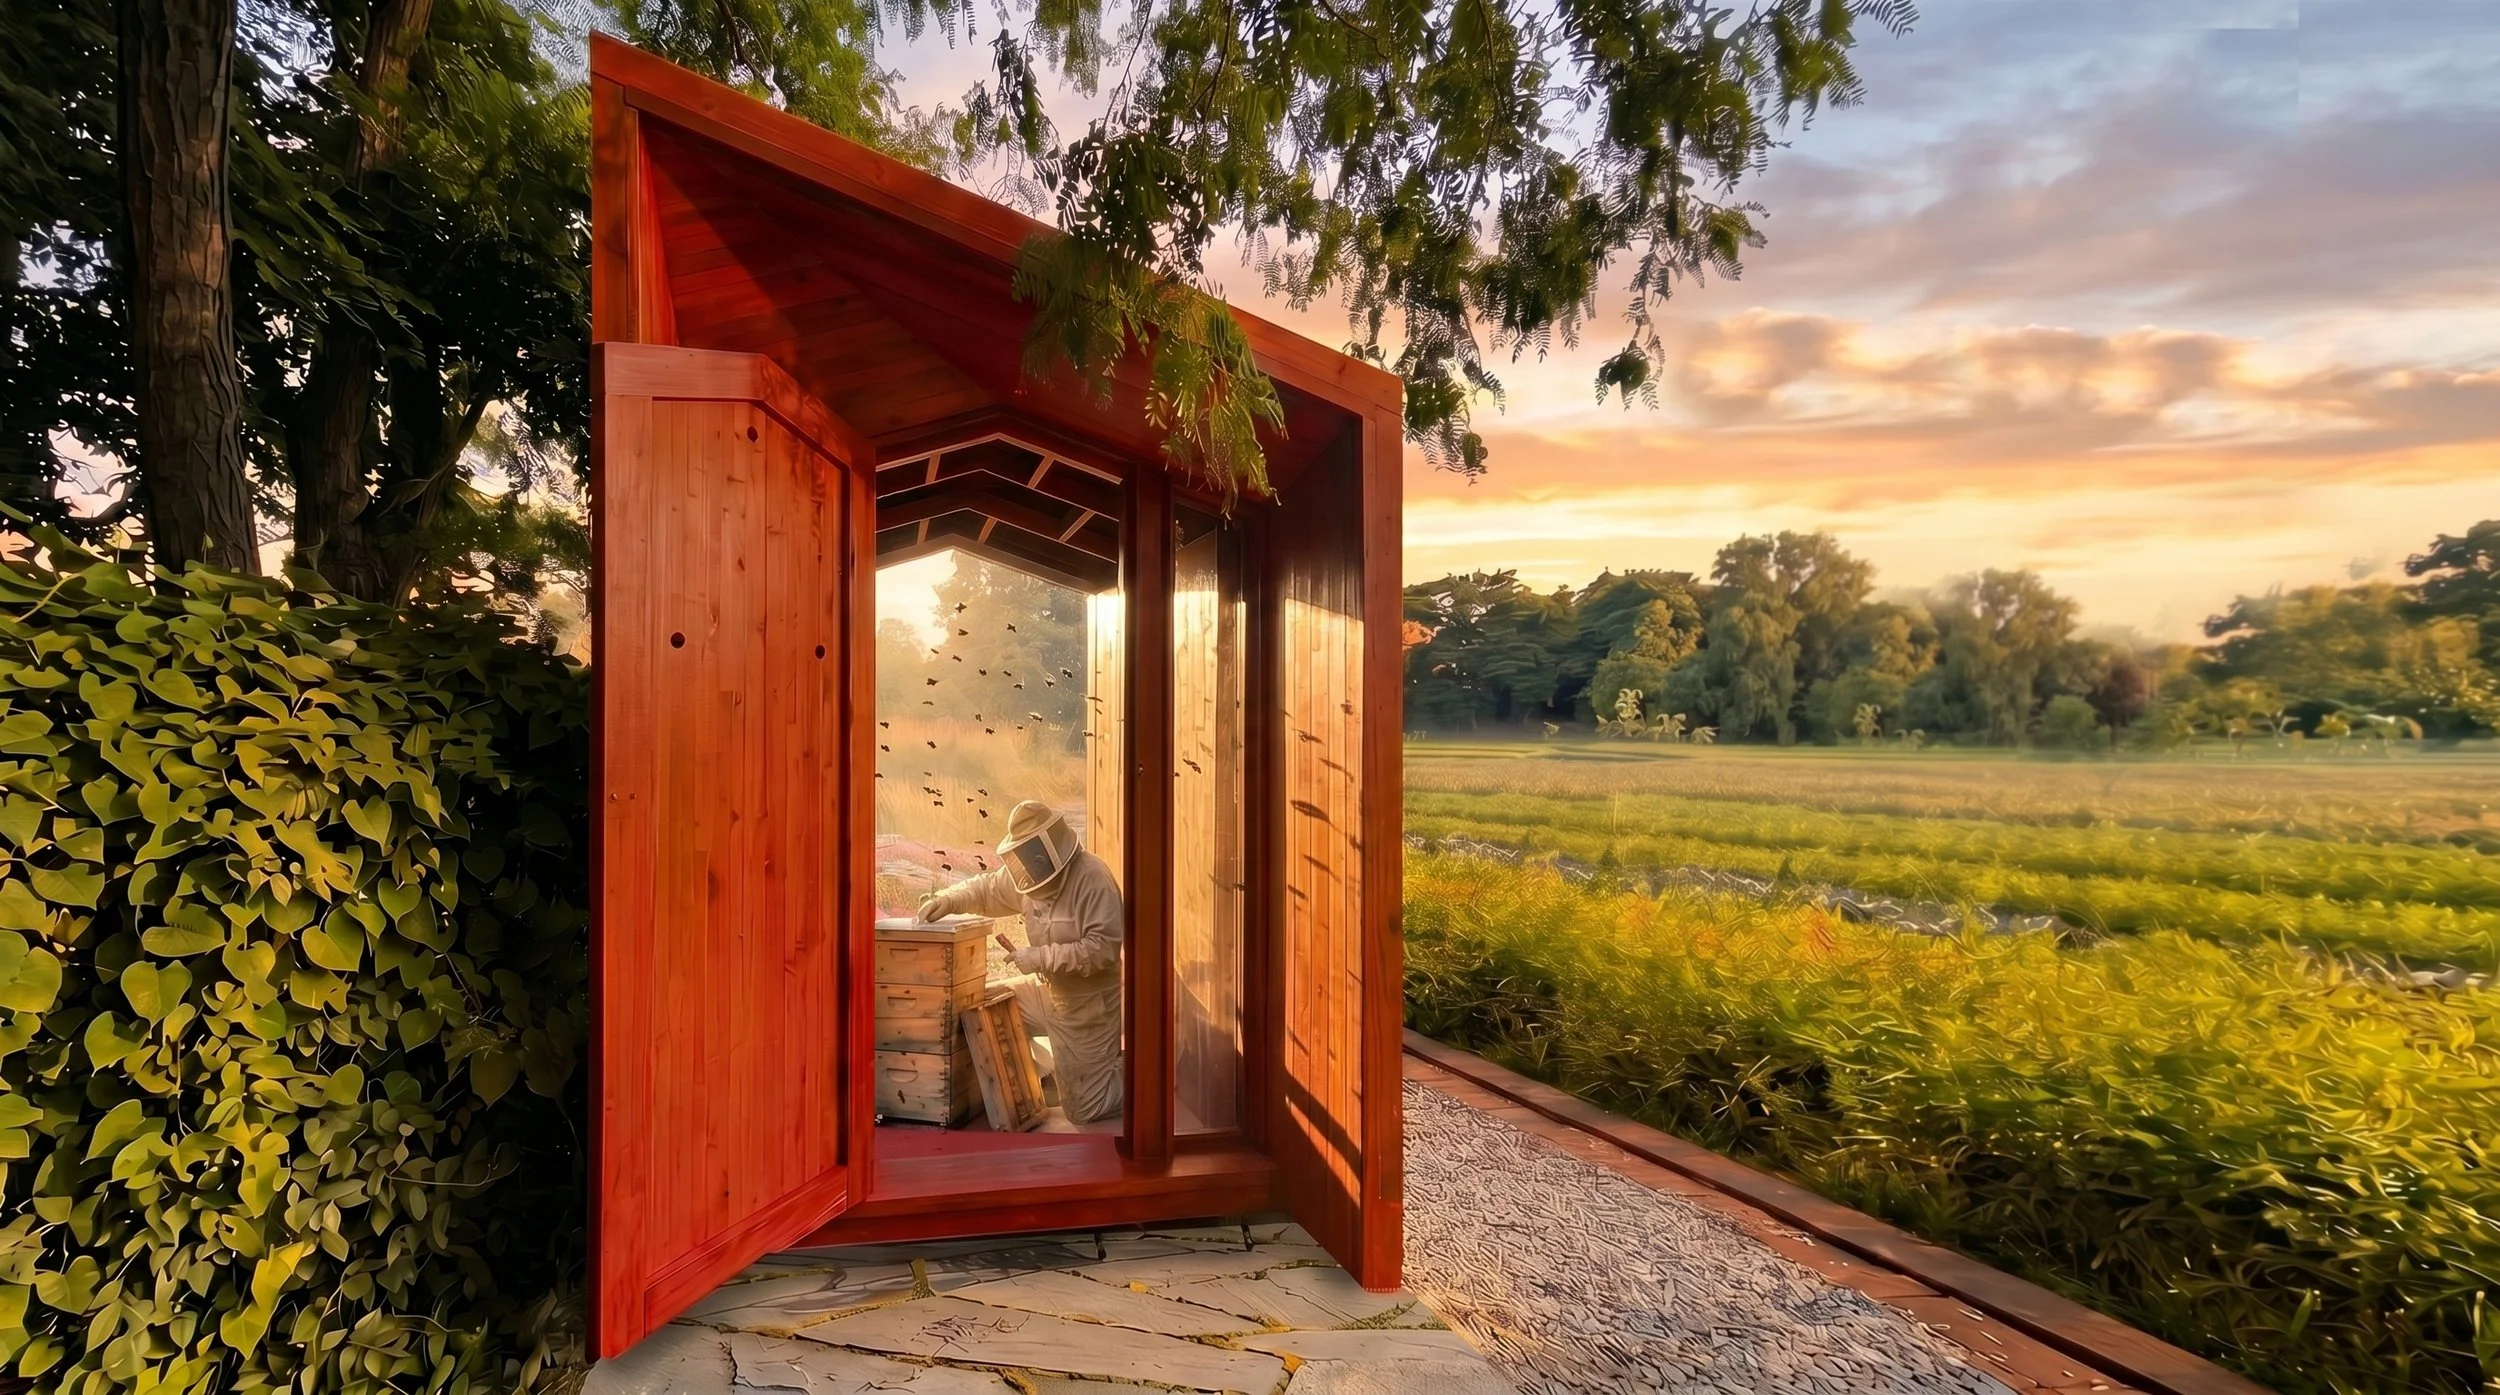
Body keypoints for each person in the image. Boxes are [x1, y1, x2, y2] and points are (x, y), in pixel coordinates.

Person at [918, 801, 1124, 1124]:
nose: (1028, 862)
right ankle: (1048, 1076)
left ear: (1050, 846)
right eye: (1024, 854)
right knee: (974, 1003)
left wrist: (1039, 957)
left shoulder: (1094, 878)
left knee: (1085, 1109)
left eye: (1032, 854)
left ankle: (1137, 1071)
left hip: (1089, 1007)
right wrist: (947, 900)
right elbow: (986, 889)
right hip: (1046, 992)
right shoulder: (1027, 877)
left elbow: (1102, 950)